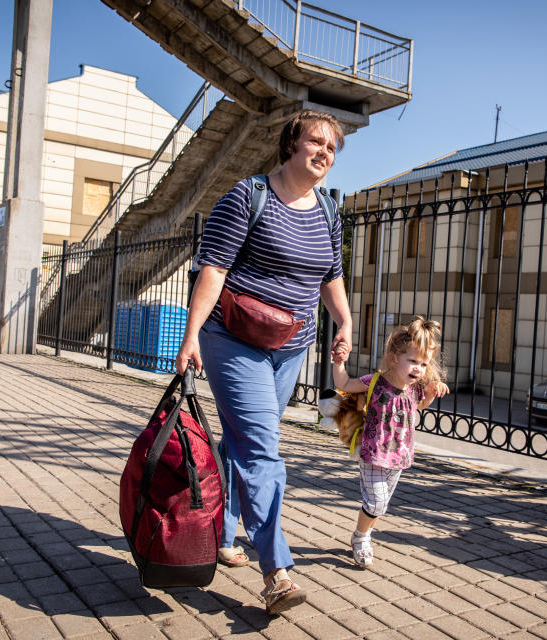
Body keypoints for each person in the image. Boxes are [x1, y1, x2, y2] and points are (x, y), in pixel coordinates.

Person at [174, 110, 352, 614]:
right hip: (233, 339)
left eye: (332, 147)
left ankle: (223, 531)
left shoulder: (328, 212)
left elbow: (330, 273)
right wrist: (189, 340)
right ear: (290, 145)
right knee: (262, 448)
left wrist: (345, 320)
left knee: (242, 441)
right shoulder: (248, 196)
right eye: (315, 141)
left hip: (291, 346)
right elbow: (213, 270)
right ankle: (277, 572)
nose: (324, 152)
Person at [331, 316, 449, 566]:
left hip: (399, 456)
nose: (419, 368)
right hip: (373, 454)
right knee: (376, 502)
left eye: (424, 364)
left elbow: (419, 406)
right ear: (395, 358)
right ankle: (361, 538)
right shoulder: (375, 383)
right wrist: (338, 363)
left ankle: (364, 534)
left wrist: (430, 392)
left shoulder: (414, 389)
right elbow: (342, 384)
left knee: (379, 506)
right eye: (413, 361)